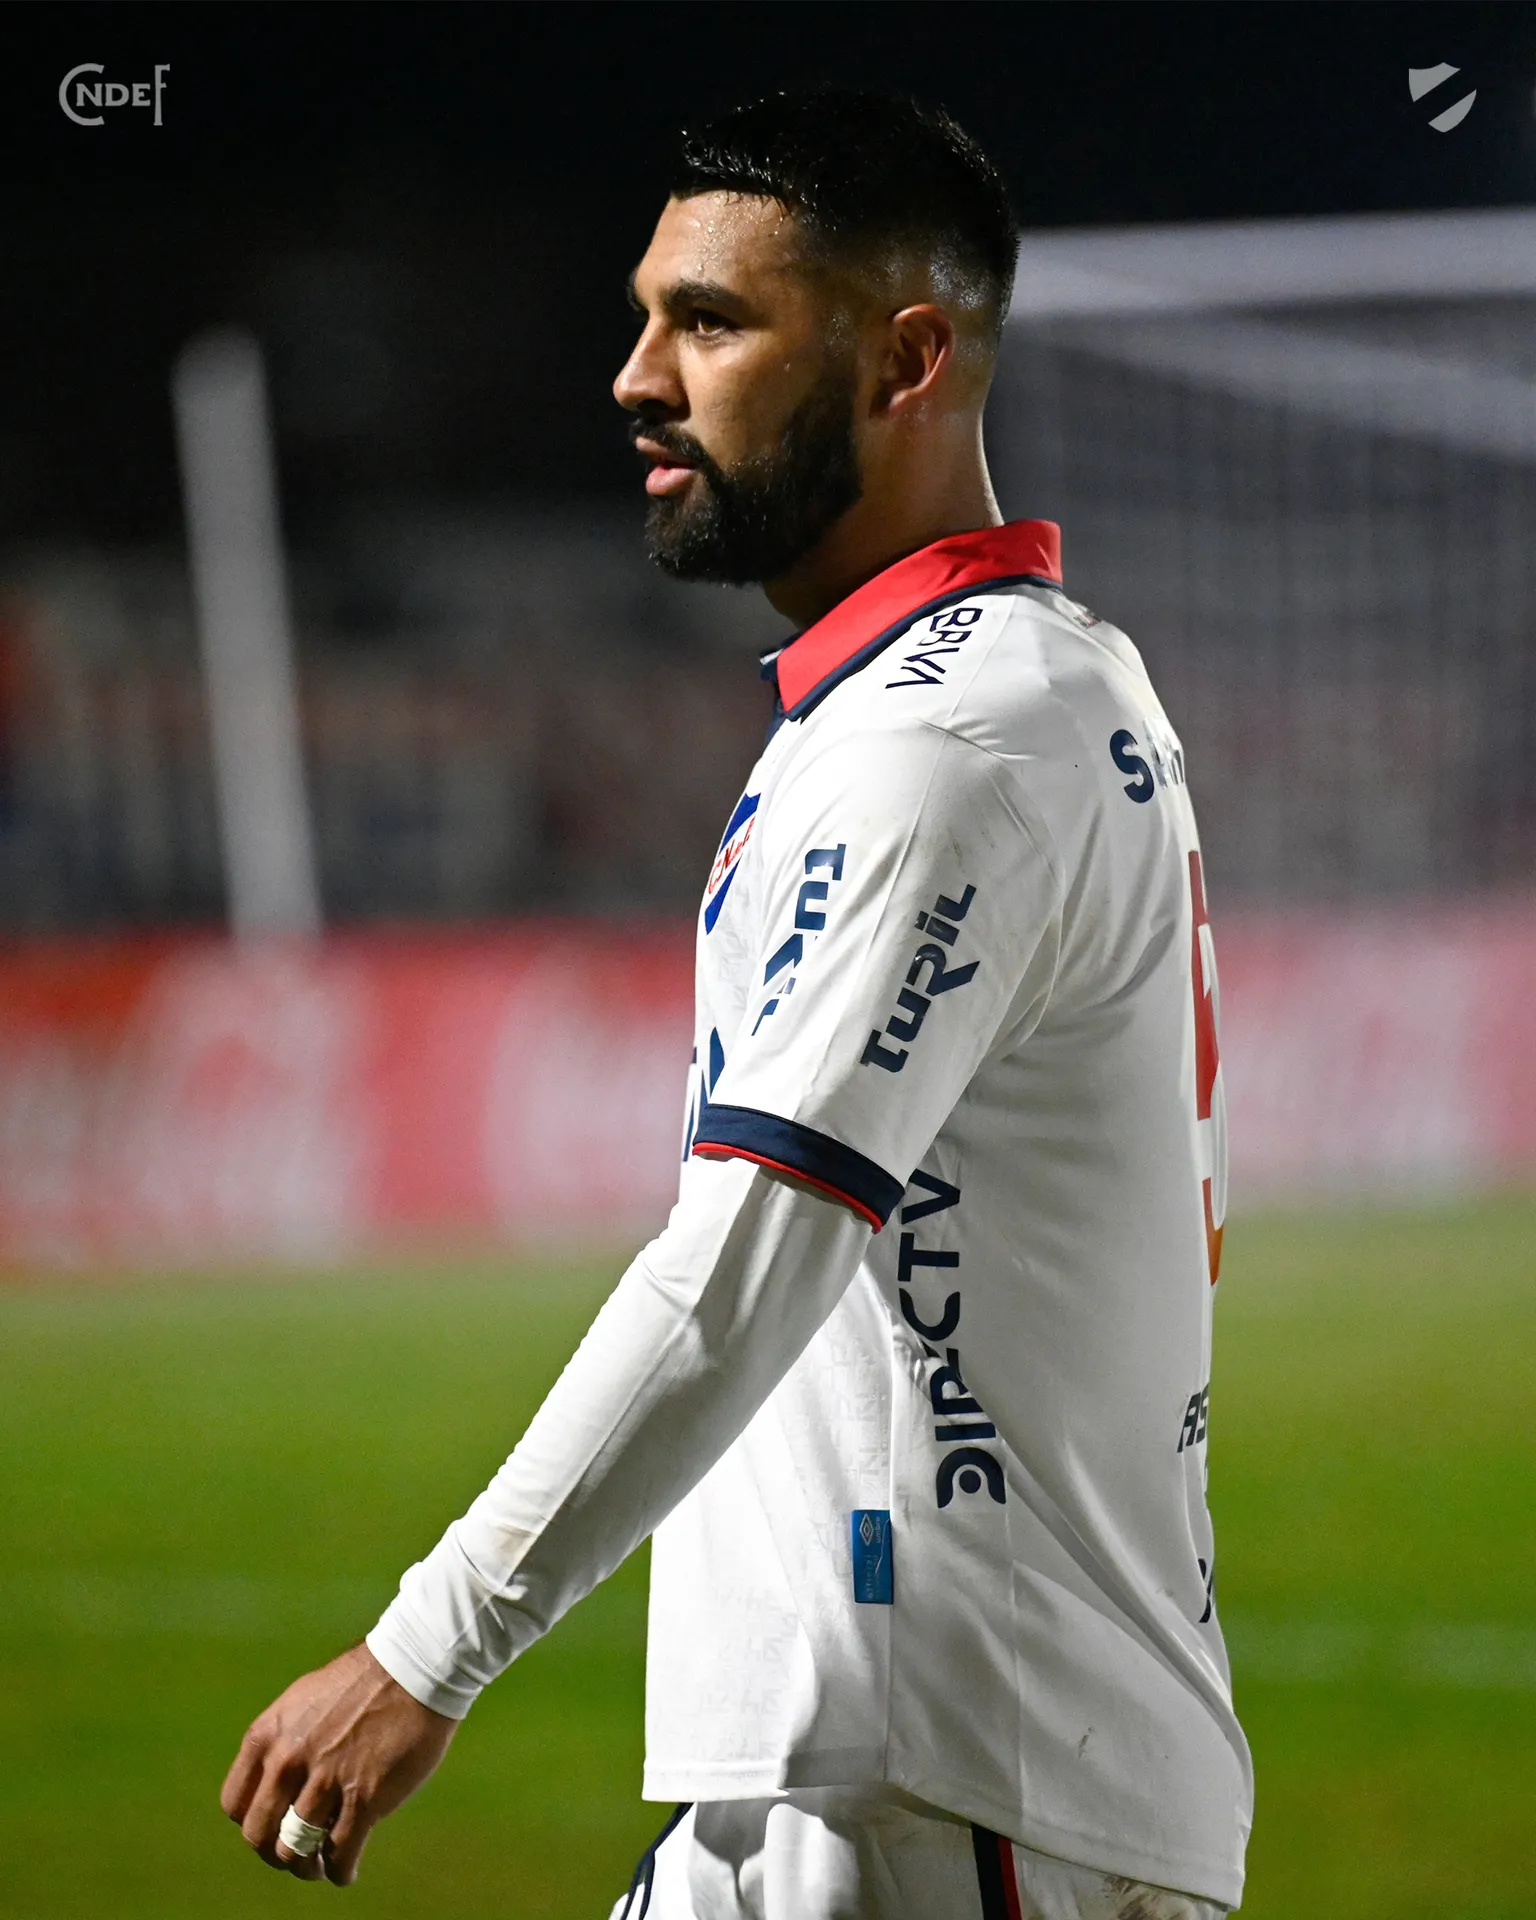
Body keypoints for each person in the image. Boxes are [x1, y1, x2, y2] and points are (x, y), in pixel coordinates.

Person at [220, 90, 1252, 1919]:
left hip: (946, 1785)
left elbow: (753, 1252)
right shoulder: (1001, 688)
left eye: (709, 322)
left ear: (906, 360)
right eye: (647, 317)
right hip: (883, 1758)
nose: (637, 377)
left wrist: (425, 1650)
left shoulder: (945, 744)